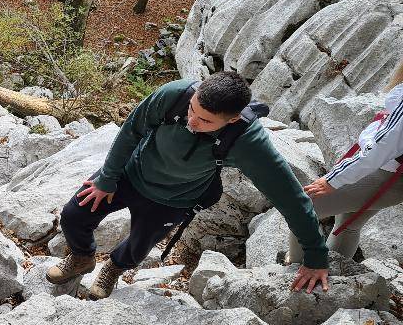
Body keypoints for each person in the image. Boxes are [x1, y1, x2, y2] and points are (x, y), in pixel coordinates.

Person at [47, 71, 329, 300]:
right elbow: (132, 129)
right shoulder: (176, 95)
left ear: (231, 119)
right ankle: (82, 257)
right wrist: (107, 179)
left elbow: (289, 196)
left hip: (174, 199)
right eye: (193, 109)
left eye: (205, 120)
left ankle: (114, 268)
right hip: (131, 173)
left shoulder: (247, 142)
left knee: (138, 246)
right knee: (74, 215)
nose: (191, 121)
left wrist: (316, 254)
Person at [288, 59, 403, 292]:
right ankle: (331, 280)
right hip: (389, 177)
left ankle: (300, 270)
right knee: (348, 224)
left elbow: (380, 147)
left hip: (384, 175)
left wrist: (334, 179)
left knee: (302, 207)